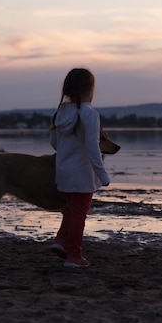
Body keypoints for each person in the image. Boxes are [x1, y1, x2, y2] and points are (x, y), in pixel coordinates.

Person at [49, 68, 110, 267]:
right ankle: (74, 256)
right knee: (78, 214)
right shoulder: (89, 114)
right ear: (88, 89)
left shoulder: (61, 113)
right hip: (83, 175)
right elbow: (93, 147)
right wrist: (102, 175)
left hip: (64, 172)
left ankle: (60, 241)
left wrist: (68, 154)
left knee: (71, 211)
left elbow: (54, 143)